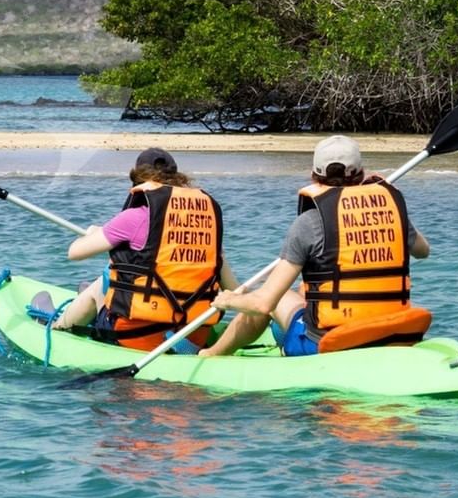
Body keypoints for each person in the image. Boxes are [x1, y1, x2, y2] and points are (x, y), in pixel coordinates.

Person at [199, 135, 432, 358]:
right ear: (361, 174)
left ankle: (211, 355)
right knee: (301, 292)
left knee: (273, 296)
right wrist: (394, 209)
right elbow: (423, 251)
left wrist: (228, 300)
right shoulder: (390, 211)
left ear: (313, 177)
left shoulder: (309, 222)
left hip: (326, 342)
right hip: (389, 331)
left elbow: (263, 304)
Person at [50, 147, 263, 352]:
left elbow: (74, 252)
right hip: (192, 337)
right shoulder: (206, 224)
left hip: (137, 337)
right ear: (178, 179)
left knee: (104, 279)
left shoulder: (134, 216)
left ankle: (59, 328)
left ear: (139, 181)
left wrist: (96, 232)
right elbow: (232, 287)